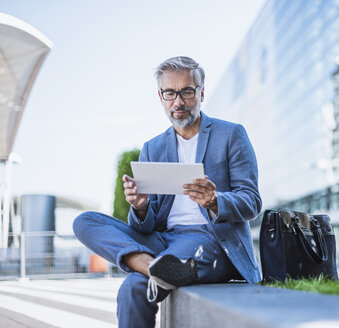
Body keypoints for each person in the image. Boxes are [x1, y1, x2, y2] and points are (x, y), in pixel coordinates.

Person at [73, 56, 262, 328]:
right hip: (162, 241)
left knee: (132, 288)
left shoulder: (230, 134)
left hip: (209, 239)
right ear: (160, 96)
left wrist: (214, 200)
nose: (178, 101)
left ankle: (150, 267)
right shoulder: (153, 147)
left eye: (186, 91)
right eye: (170, 93)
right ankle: (152, 266)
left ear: (201, 93)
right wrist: (139, 206)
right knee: (84, 221)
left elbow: (251, 200)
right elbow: (147, 224)